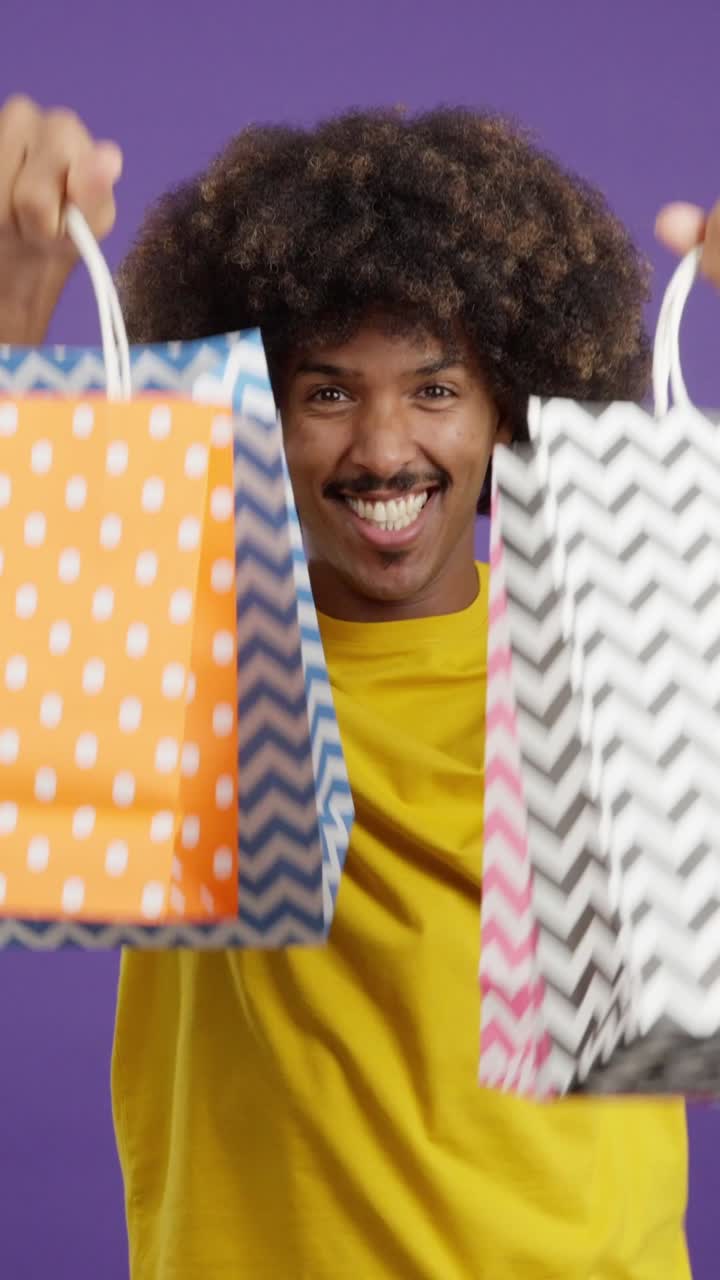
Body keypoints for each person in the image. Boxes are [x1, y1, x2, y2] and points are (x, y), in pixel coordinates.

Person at [1, 94, 718, 1280]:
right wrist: (19, 300)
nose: (385, 446)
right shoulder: (174, 650)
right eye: (329, 393)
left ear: (509, 411)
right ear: (264, 419)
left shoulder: (627, 650)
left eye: (435, 389)